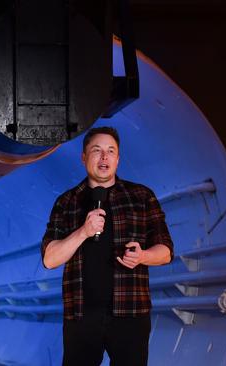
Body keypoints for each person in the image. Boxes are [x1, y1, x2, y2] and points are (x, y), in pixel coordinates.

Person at [41, 126, 174, 366]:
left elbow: (165, 251)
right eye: (97, 150)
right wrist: (83, 231)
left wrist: (143, 256)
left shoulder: (141, 196)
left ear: (118, 159)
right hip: (81, 316)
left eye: (111, 151)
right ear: (83, 158)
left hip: (130, 314)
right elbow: (50, 259)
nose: (104, 157)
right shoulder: (66, 202)